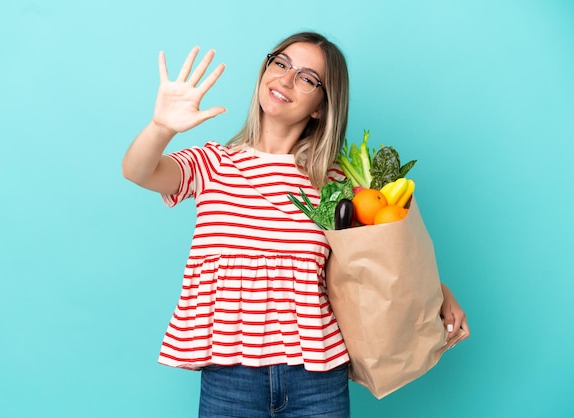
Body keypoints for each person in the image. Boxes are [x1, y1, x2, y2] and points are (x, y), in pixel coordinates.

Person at [122, 31, 470, 418]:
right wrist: (161, 127)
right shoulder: (213, 163)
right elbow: (139, 170)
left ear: (321, 105)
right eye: (281, 63)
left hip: (317, 376)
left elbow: (379, 255)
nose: (286, 79)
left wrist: (437, 291)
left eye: (306, 78)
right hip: (229, 375)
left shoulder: (334, 181)